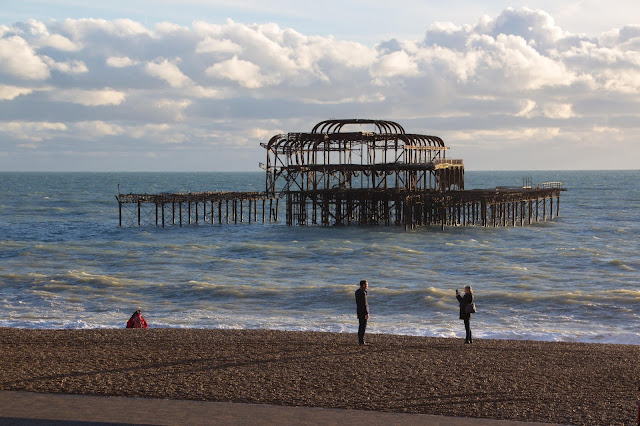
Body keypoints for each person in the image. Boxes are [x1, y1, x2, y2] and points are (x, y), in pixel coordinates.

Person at [355, 279, 369, 345]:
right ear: (363, 285)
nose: (367, 286)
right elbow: (364, 304)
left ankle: (360, 339)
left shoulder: (357, 291)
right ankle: (361, 341)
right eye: (366, 284)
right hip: (363, 311)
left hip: (359, 310)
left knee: (361, 325)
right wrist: (366, 313)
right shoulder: (363, 293)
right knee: (363, 326)